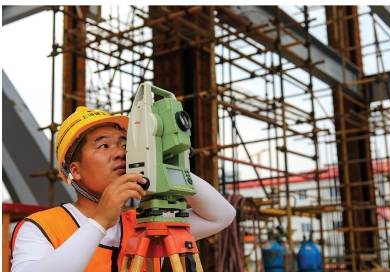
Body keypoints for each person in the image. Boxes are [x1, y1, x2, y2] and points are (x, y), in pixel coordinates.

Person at [11, 106, 236, 272]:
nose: (120, 153)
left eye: (125, 145)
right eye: (104, 145)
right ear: (75, 170)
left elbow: (222, 216)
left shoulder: (144, 223)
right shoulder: (41, 227)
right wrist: (99, 223)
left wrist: (161, 165)